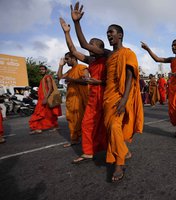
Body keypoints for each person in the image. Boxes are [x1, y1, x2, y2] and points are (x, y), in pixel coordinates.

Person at [71, 2, 144, 182]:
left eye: (111, 32)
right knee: (112, 130)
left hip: (120, 97)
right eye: (107, 33)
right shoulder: (107, 54)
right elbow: (83, 45)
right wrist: (76, 23)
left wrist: (124, 99)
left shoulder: (128, 53)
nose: (108, 35)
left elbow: (129, 77)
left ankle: (119, 164)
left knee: (114, 127)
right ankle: (124, 151)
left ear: (120, 35)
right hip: (107, 98)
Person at [60, 17, 107, 163]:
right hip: (93, 97)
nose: (89, 47)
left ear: (100, 48)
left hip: (106, 96)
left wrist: (98, 81)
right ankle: (88, 152)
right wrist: (67, 33)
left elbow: (114, 80)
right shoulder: (90, 61)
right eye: (89, 45)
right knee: (87, 124)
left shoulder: (108, 58)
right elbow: (73, 50)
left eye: (92, 45)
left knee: (108, 126)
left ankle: (118, 149)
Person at [141, 39, 176, 141]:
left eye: (175, 45)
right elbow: (158, 59)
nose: (173, 47)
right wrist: (148, 49)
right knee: (174, 109)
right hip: (174, 88)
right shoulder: (172, 59)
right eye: (172, 45)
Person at [57, 52, 89, 147]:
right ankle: (74, 139)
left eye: (67, 59)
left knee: (83, 120)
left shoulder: (82, 67)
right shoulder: (70, 71)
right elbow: (59, 78)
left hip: (81, 99)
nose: (66, 61)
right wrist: (60, 66)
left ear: (74, 58)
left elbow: (86, 81)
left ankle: (88, 141)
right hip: (72, 99)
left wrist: (72, 80)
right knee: (72, 119)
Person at [29, 65, 62, 134]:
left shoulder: (47, 77)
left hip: (44, 98)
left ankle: (38, 128)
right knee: (48, 114)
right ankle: (52, 126)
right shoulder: (43, 78)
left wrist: (45, 98)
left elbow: (50, 88)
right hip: (42, 98)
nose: (41, 71)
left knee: (39, 113)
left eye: (43, 69)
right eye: (40, 70)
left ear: (46, 70)